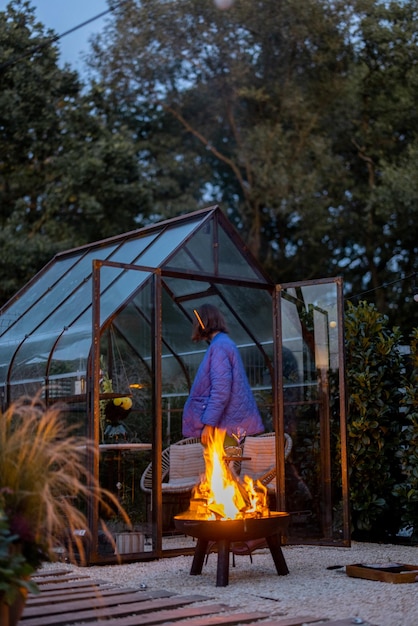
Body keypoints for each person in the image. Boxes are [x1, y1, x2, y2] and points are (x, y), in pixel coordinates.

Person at [182, 303, 264, 446]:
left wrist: (208, 424)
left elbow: (221, 391)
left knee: (223, 467)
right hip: (230, 425)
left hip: (225, 429)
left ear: (203, 322)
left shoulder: (219, 347)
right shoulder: (223, 344)